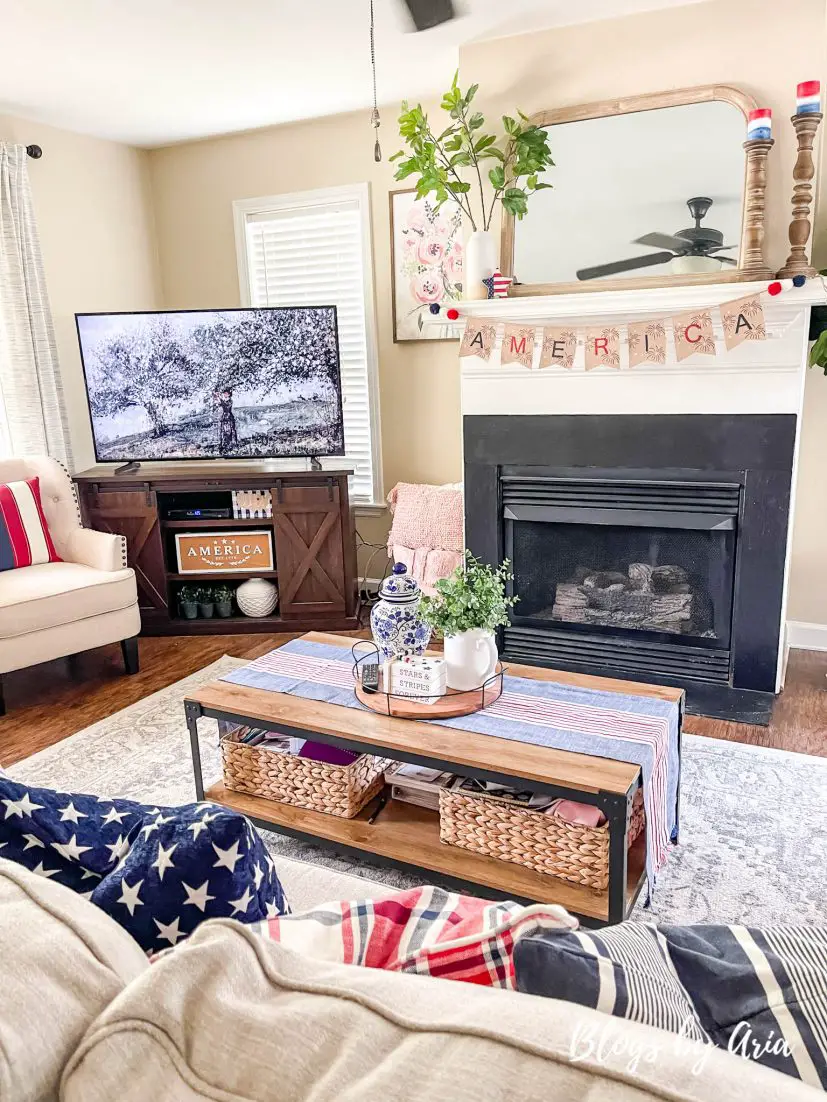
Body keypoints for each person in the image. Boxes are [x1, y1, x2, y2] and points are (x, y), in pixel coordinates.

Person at [217, 388, 239, 455]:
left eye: (226, 393)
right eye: (224, 393)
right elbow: (220, 404)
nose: (224, 394)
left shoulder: (230, 401)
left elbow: (225, 406)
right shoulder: (224, 400)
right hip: (224, 417)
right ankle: (224, 446)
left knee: (230, 432)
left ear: (229, 394)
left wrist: (220, 398)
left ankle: (231, 446)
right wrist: (218, 397)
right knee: (224, 432)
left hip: (229, 417)